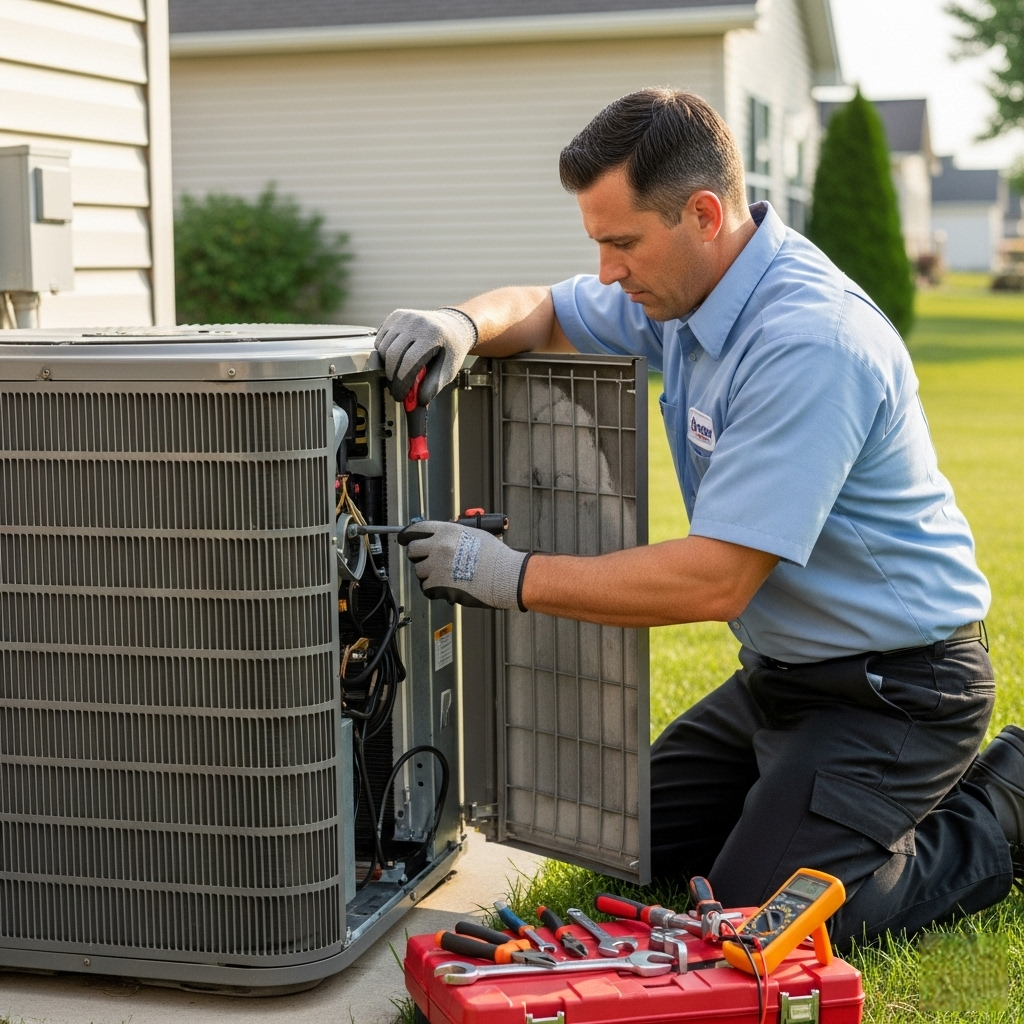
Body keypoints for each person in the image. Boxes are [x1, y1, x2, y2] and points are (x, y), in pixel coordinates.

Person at [374, 88, 1024, 948]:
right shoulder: (683, 296)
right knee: (628, 845)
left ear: (704, 214)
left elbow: (717, 577)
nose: (608, 270)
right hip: (782, 679)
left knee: (762, 917)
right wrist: (462, 322)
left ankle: (1006, 802)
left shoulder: (809, 340)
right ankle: (802, 794)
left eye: (621, 242)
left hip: (895, 688)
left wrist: (504, 574)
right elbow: (545, 309)